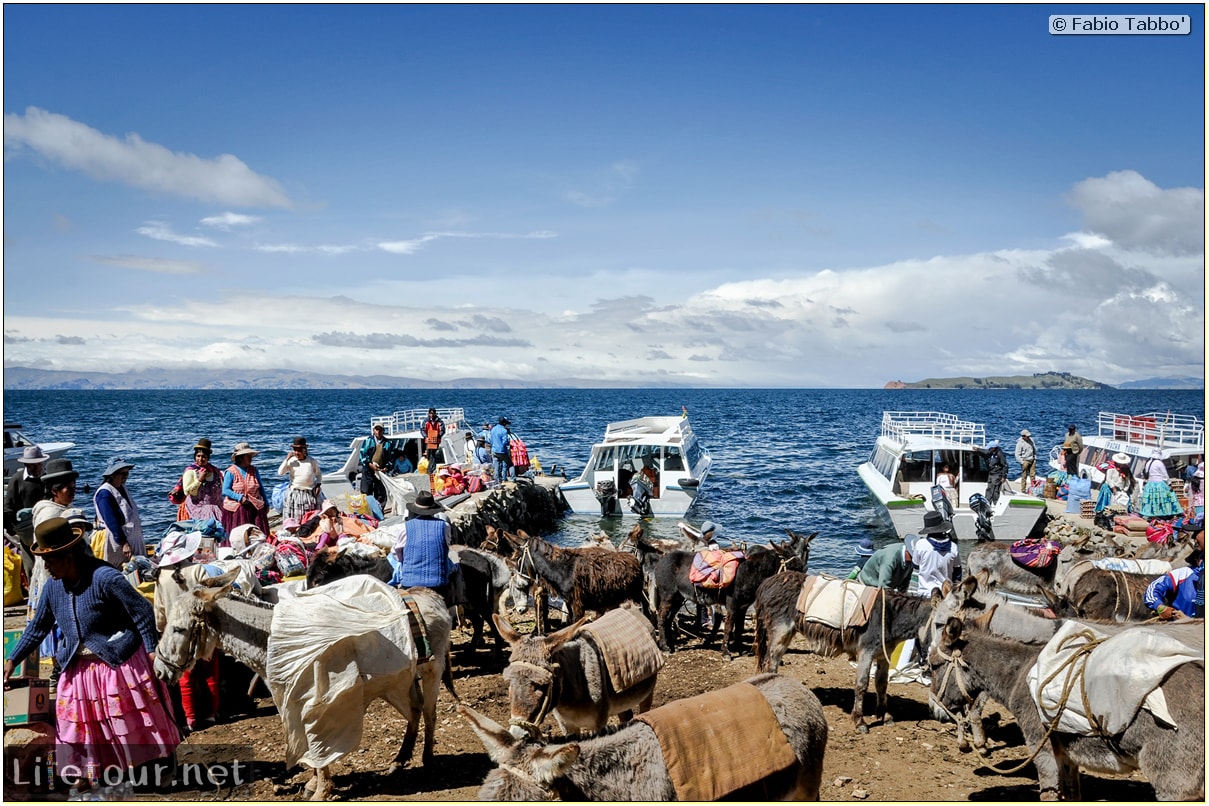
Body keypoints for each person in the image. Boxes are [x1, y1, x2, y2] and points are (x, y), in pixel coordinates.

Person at [4, 518, 180, 793]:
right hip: (77, 667)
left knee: (133, 722)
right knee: (79, 726)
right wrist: (12, 659)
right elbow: (38, 627)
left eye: (50, 560)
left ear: (69, 556)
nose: (46, 567)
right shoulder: (53, 588)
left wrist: (151, 652)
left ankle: (160, 768)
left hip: (116, 662)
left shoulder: (105, 578)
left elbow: (142, 613)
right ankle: (90, 773)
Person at [152, 531, 222, 732]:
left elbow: (160, 610)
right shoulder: (197, 569)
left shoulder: (161, 576)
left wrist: (162, 630)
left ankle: (190, 718)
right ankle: (210, 714)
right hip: (202, 630)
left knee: (185, 677)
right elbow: (211, 599)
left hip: (177, 633)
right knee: (210, 673)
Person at [398, 491, 454, 601]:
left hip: (410, 583)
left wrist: (403, 561)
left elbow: (397, 551)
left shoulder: (405, 527)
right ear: (433, 510)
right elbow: (446, 547)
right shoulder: (444, 526)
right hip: (438, 583)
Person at [94, 457, 146, 565]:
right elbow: (111, 521)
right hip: (116, 542)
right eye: (122, 474)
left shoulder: (122, 488)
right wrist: (123, 543)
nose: (125, 477)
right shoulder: (104, 493)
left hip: (133, 538)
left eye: (127, 474)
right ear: (112, 474)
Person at [1144, 527, 1203, 619]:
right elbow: (1153, 589)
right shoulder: (1183, 574)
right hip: (1179, 628)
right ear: (1196, 559)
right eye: (1202, 558)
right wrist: (1160, 607)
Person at [5, 445, 48, 569]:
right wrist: (13, 529)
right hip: (26, 533)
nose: (38, 467)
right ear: (26, 465)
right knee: (31, 567)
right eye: (33, 465)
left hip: (45, 529)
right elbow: (8, 508)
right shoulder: (17, 480)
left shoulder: (47, 478)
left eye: (39, 464)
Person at [221, 443, 270, 536]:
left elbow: (261, 488)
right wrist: (239, 497)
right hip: (237, 508)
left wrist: (266, 504)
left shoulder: (254, 471)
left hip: (255, 506)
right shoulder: (231, 472)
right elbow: (225, 490)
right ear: (240, 457)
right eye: (248, 456)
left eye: (251, 456)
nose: (251, 458)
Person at [912, 512, 962, 597]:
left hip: (924, 594)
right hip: (946, 594)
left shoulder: (921, 544)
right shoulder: (953, 547)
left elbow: (916, 565)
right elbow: (957, 574)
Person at [180, 438, 225, 523]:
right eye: (198, 456)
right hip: (196, 508)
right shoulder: (190, 472)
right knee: (209, 512)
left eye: (203, 457)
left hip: (216, 508)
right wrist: (199, 480)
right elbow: (187, 492)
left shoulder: (215, 472)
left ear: (208, 458)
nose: (200, 459)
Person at [277, 436, 322, 521]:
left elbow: (319, 475)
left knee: (309, 518)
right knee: (295, 518)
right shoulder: (291, 461)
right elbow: (280, 473)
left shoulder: (311, 461)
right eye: (295, 450)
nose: (297, 452)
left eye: (300, 450)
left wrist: (318, 485)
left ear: (305, 450)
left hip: (309, 494)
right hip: (295, 494)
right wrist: (286, 460)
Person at [359, 423, 396, 509]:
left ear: (383, 431)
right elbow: (362, 455)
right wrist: (370, 464)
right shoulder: (368, 441)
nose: (378, 432)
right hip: (368, 470)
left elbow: (391, 458)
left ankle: (379, 510)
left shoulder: (388, 443)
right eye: (376, 429)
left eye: (380, 430)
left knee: (380, 493)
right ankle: (366, 510)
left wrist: (386, 468)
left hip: (380, 472)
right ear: (373, 430)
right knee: (366, 491)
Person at [1140, 449, 1183, 519]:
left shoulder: (1148, 462)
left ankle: (1152, 513)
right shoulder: (1159, 463)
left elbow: (1144, 473)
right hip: (1159, 484)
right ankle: (1164, 513)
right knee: (1165, 498)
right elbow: (1165, 475)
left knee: (1152, 500)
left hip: (1150, 483)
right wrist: (1169, 484)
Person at [984, 440, 1009, 506]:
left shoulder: (1000, 454)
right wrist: (977, 449)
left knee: (994, 489)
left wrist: (1004, 476)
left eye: (990, 448)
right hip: (991, 473)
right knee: (990, 488)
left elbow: (1005, 466)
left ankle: (993, 503)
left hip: (997, 474)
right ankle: (988, 502)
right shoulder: (991, 453)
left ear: (993, 448)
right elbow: (984, 452)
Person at [489, 417, 512, 484]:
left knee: (496, 466)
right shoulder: (504, 431)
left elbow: (491, 440)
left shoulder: (493, 429)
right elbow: (505, 442)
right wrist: (507, 442)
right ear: (504, 423)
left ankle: (497, 481)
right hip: (502, 451)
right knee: (509, 464)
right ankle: (510, 478)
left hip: (494, 450)